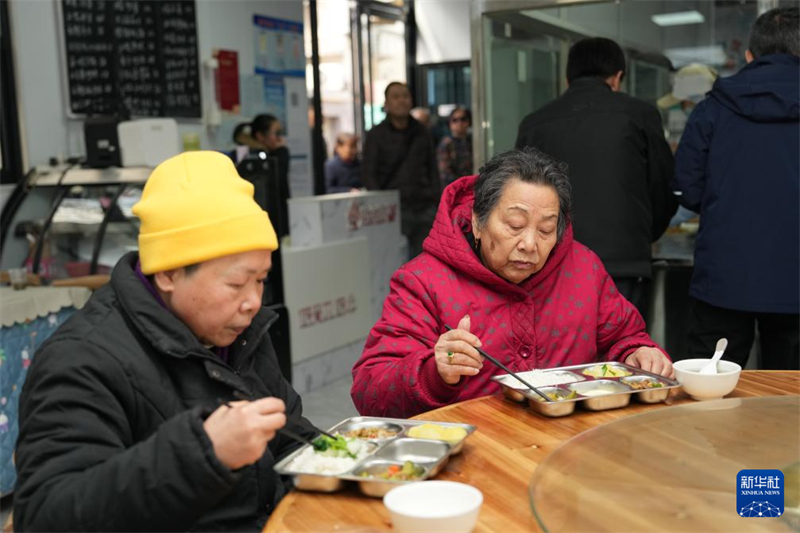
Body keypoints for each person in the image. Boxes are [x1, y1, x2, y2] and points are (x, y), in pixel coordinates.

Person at [14, 152, 317, 531]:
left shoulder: (237, 330)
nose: (253, 302)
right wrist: (202, 454)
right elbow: (46, 517)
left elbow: (288, 434)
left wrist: (346, 460)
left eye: (261, 280)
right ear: (169, 274)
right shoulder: (81, 361)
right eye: (237, 283)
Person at [351, 148, 673, 418]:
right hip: (475, 459)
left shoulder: (582, 267)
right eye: (515, 225)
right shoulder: (423, 282)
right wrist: (434, 373)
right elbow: (369, 391)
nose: (530, 244)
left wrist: (638, 352)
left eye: (546, 230)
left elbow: (624, 336)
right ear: (478, 221)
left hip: (573, 444)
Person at [671, 7, 799, 369]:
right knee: (792, 400)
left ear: (749, 56)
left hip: (724, 276)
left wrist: (724, 207)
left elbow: (686, 189)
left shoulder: (712, 109)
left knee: (709, 390)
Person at [515, 37, 677, 322]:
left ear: (567, 78)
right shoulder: (640, 114)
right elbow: (663, 187)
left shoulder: (534, 123)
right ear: (617, 77)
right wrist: (642, 235)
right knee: (624, 355)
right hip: (623, 262)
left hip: (552, 262)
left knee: (559, 356)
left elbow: (518, 194)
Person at [362, 82, 440, 259]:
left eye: (405, 96)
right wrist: (381, 207)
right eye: (395, 97)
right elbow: (369, 174)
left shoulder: (422, 132)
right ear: (387, 103)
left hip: (424, 208)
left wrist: (437, 203)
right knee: (392, 262)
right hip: (393, 211)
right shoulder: (376, 135)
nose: (401, 101)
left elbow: (432, 170)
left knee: (425, 263)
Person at [251, 113, 291, 237]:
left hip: (279, 221)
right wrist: (283, 152)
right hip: (266, 223)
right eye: (276, 133)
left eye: (281, 133)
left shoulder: (273, 154)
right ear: (260, 136)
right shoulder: (256, 159)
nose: (280, 139)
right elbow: (278, 179)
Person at [436, 107, 473, 187]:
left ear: (469, 121)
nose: (459, 123)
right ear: (450, 123)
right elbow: (445, 173)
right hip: (455, 189)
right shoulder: (446, 144)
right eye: (454, 120)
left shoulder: (474, 141)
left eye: (463, 119)